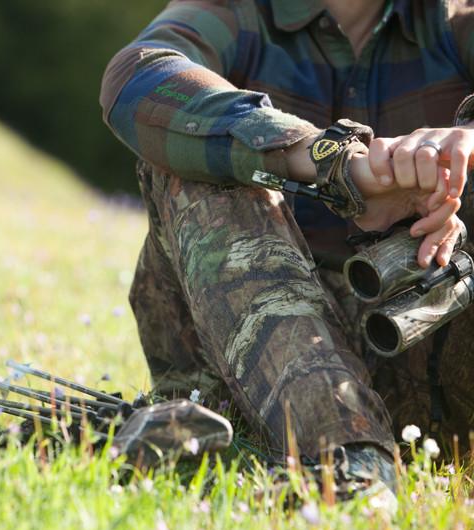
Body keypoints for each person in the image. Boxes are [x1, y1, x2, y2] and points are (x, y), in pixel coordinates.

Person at [100, 0, 474, 490]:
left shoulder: (454, 20)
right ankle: (347, 460)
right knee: (202, 152)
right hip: (247, 371)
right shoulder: (239, 12)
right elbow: (141, 73)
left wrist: (463, 143)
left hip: (432, 375)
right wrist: (332, 162)